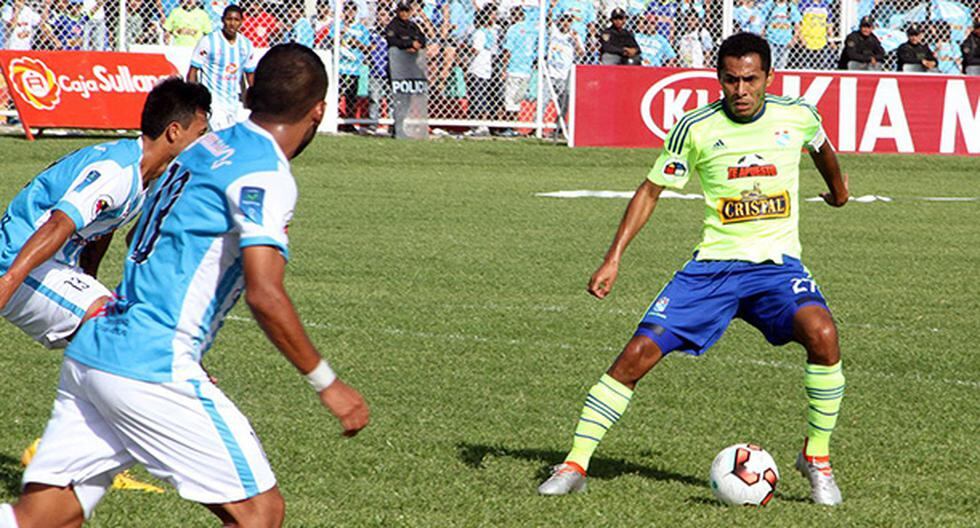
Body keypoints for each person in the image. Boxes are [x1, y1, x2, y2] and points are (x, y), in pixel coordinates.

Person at [0, 44, 369, 528]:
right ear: (318, 110)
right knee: (260, 512)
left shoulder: (206, 150)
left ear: (249, 90)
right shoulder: (263, 171)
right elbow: (265, 292)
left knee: (42, 519)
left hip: (97, 350)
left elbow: (140, 234)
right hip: (151, 362)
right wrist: (328, 383)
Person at [537, 32, 850, 507]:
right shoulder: (696, 127)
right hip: (712, 269)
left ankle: (818, 459)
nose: (740, 90)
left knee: (823, 333)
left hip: (775, 267)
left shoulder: (798, 115)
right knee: (637, 354)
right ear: (719, 79)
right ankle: (576, 463)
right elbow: (650, 191)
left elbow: (822, 147)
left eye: (750, 79)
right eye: (730, 80)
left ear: (768, 77)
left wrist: (840, 190)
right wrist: (613, 256)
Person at [188, 5, 255, 131]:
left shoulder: (246, 44)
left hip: (235, 102)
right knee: (223, 136)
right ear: (223, 20)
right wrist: (194, 98)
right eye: (229, 19)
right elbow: (193, 71)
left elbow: (249, 75)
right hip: (214, 102)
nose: (232, 24)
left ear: (241, 22)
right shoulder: (209, 41)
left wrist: (253, 97)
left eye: (236, 20)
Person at [465, 4, 499, 137]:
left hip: (487, 68)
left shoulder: (492, 32)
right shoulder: (479, 33)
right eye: (492, 14)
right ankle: (476, 124)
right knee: (477, 97)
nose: (494, 17)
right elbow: (475, 50)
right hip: (478, 68)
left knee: (483, 96)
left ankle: (481, 124)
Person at [763, 0, 801, 70]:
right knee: (771, 62)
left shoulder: (790, 7)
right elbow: (762, 21)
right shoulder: (770, 5)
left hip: (785, 41)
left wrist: (794, 39)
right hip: (771, 39)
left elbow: (797, 25)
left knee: (782, 65)